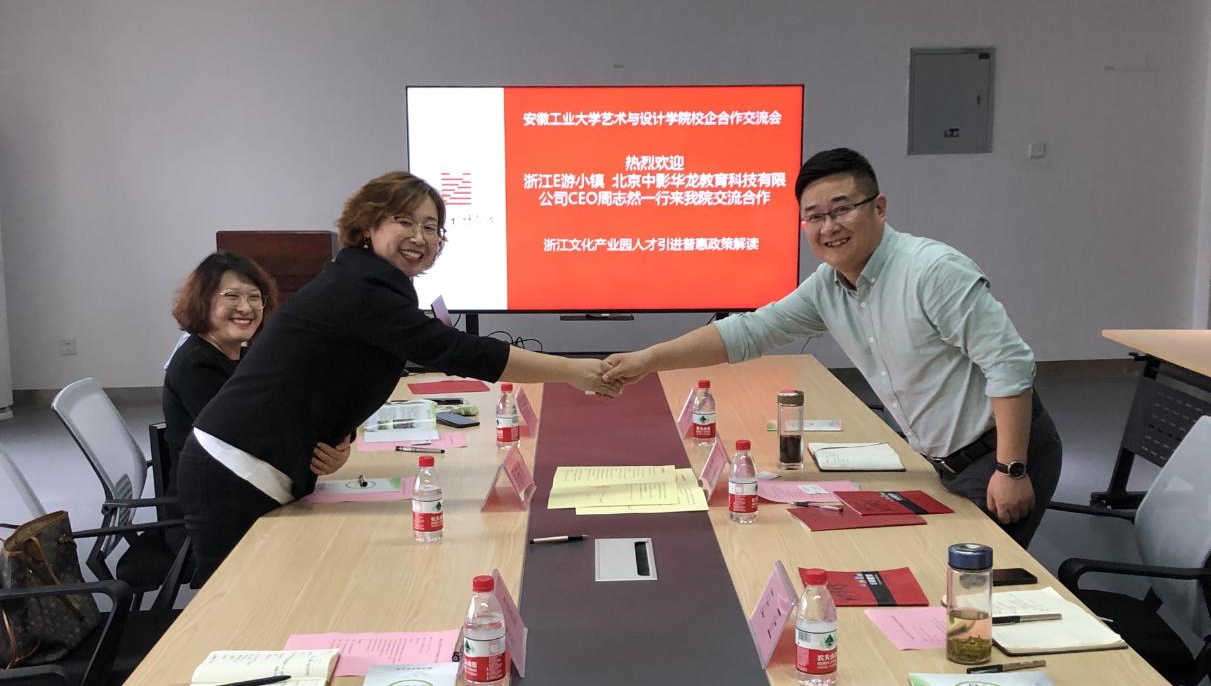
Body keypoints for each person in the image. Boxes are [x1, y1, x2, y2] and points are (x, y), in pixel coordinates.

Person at [604, 148, 1062, 548]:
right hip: (941, 461)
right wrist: (649, 359)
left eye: (842, 210)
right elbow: (750, 331)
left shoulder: (932, 271)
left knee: (974, 586)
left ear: (879, 207)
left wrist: (1012, 468)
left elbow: (1010, 365)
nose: (829, 227)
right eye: (815, 217)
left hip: (1001, 453)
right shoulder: (830, 285)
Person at [176, 171, 619, 582]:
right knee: (236, 602)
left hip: (260, 463)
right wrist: (573, 371)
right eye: (404, 221)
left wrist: (340, 434)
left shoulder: (369, 281)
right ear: (368, 226)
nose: (419, 237)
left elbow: (336, 372)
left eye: (431, 227)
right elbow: (457, 351)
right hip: (234, 467)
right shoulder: (361, 288)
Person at [163, 252, 351, 494]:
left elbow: (298, 405)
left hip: (249, 489)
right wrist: (318, 445)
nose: (245, 307)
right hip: (210, 504)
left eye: (254, 297)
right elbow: (249, 440)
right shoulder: (194, 365)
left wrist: (338, 446)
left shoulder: (245, 357)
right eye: (232, 296)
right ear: (203, 300)